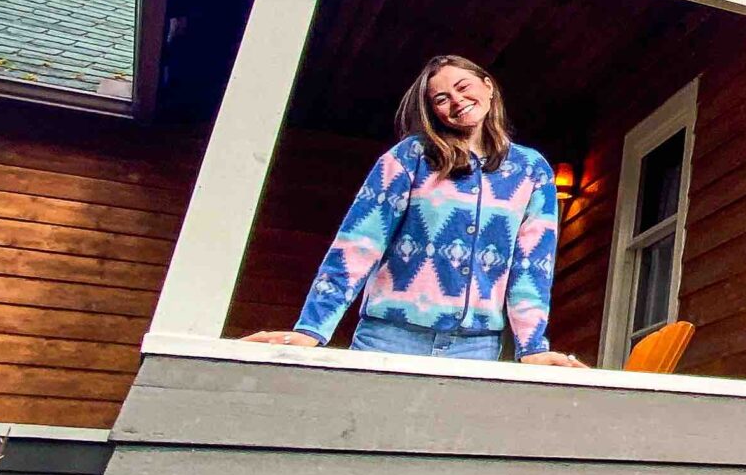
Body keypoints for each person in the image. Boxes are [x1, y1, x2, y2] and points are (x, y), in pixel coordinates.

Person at [245, 53, 586, 367]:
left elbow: (532, 266)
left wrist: (533, 348)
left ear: (488, 86)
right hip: (389, 338)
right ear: (433, 111)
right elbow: (359, 244)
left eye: (462, 86)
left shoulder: (532, 170)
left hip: (475, 348)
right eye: (441, 99)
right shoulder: (409, 158)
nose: (456, 101)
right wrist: (312, 329)